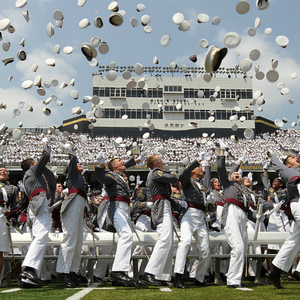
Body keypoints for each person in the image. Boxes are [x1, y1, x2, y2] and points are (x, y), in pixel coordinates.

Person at [95, 152, 142, 287]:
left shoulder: (120, 175)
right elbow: (100, 177)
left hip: (125, 208)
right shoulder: (112, 175)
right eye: (120, 161)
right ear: (114, 165)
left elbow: (124, 166)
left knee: (126, 237)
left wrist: (136, 160)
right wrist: (100, 165)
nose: (123, 162)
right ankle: (118, 271)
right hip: (117, 207)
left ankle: (119, 272)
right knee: (125, 235)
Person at [20, 138, 56, 288]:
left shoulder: (27, 176)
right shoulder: (33, 171)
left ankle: (27, 280)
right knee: (42, 235)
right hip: (40, 205)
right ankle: (29, 269)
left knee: (37, 238)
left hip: (33, 206)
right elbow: (45, 157)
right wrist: (46, 145)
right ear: (33, 164)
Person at [140, 154, 179, 286]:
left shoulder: (155, 173)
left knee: (168, 241)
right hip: (161, 206)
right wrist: (175, 172)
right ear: (156, 164)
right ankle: (149, 272)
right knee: (165, 238)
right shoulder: (155, 173)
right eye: (161, 160)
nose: (163, 162)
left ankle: (163, 275)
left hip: (165, 204)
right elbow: (173, 178)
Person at [174, 153, 211, 289]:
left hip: (201, 217)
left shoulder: (201, 185)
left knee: (205, 250)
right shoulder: (187, 181)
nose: (201, 169)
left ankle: (199, 277)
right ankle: (178, 275)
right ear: (192, 170)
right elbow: (183, 174)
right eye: (198, 167)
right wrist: (197, 160)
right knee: (185, 242)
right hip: (189, 215)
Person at [217, 141, 249, 288]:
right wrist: (222, 152)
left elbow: (234, 170)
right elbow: (220, 168)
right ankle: (233, 280)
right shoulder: (227, 184)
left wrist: (239, 162)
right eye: (234, 173)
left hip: (242, 214)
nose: (236, 174)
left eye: (238, 173)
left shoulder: (241, 188)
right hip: (231, 212)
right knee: (238, 246)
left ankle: (235, 278)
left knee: (242, 247)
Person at [56, 142, 89, 288]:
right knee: (70, 238)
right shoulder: (72, 174)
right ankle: (64, 271)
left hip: (80, 203)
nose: (80, 164)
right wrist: (71, 149)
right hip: (73, 202)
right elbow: (73, 160)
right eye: (78, 163)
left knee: (78, 241)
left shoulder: (81, 177)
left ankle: (73, 270)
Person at [267, 154, 300, 288]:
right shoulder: (286, 170)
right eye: (292, 157)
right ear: (287, 164)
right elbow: (275, 162)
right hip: (299, 200)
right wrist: (272, 153)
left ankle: (275, 272)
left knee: (295, 240)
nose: (296, 157)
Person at [0, 165, 19, 287]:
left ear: (8, 175)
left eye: (5, 171)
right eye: (0, 170)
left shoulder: (13, 188)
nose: (2, 171)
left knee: (0, 250)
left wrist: (12, 219)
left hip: (2, 216)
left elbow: (15, 206)